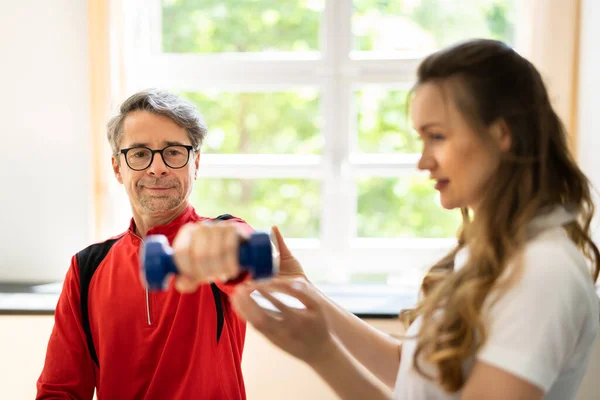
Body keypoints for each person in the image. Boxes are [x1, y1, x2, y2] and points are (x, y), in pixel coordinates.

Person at [228, 39, 600, 399]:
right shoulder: (493, 252)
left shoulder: (542, 271)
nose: (423, 161)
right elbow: (413, 372)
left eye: (437, 136)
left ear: (502, 133)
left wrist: (323, 355)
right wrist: (310, 295)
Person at [37, 89, 255, 399]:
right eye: (139, 153)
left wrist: (230, 246)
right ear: (117, 168)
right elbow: (60, 390)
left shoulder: (219, 237)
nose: (157, 168)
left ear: (196, 163)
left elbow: (244, 255)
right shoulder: (86, 267)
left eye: (173, 152)